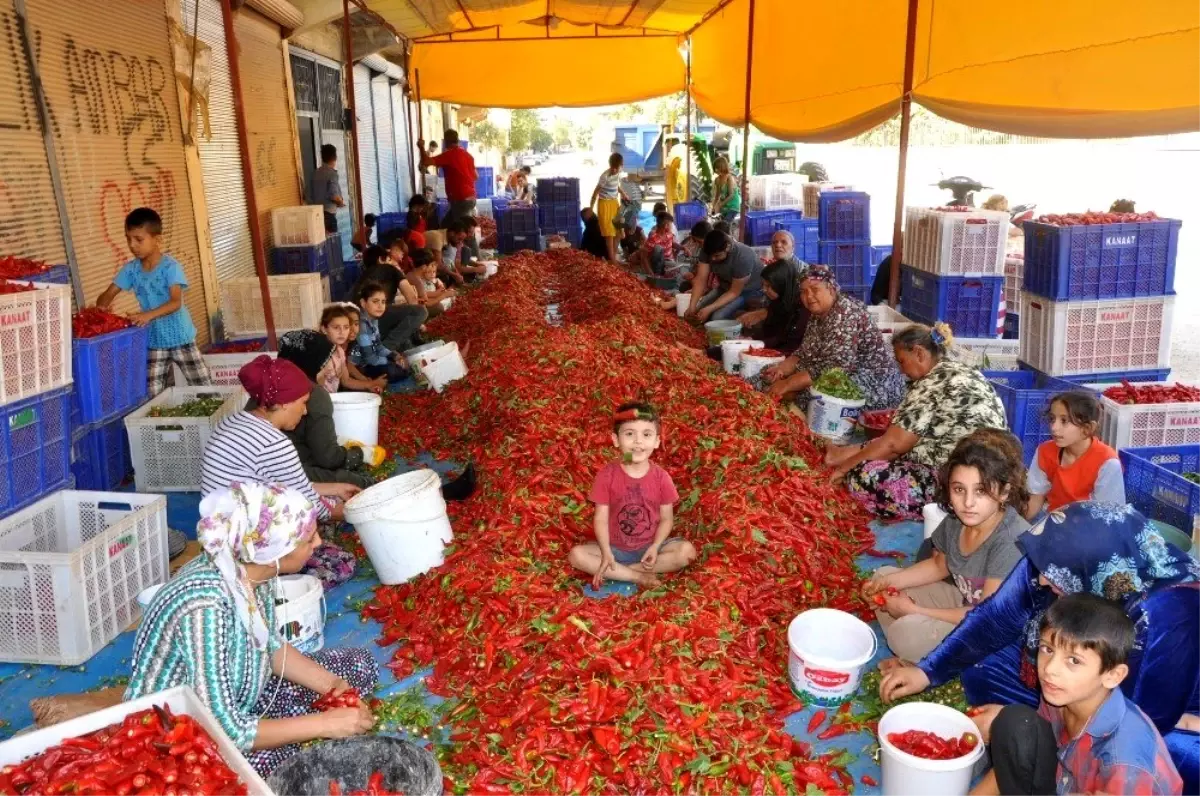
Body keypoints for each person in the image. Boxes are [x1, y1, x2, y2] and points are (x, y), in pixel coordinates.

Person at [879, 502, 1200, 791]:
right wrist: (927, 672)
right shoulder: (1058, 555)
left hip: (1160, 723)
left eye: (1055, 574)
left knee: (1152, 755)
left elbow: (1130, 718)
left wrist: (1028, 722)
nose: (1043, 580)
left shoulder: (1166, 615)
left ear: (1097, 572)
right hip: (1088, 686)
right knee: (984, 669)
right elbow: (996, 616)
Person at [126, 483, 377, 778]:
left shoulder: (257, 570)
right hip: (183, 730)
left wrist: (333, 685)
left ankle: (274, 722)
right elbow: (221, 729)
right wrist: (325, 724)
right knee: (285, 766)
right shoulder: (205, 607)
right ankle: (275, 726)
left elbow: (269, 645)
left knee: (359, 666)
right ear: (276, 552)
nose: (320, 543)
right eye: (308, 539)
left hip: (241, 689)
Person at [970, 593, 1183, 796]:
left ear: (1112, 675)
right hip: (1065, 784)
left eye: (1074, 660)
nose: (1050, 669)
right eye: (1047, 649)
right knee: (1016, 722)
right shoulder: (1062, 695)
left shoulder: (1125, 759)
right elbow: (1020, 754)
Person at [863, 431, 1030, 664]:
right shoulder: (957, 520)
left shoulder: (1011, 541)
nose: (968, 503)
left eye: (981, 491)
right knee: (884, 577)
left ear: (1004, 492)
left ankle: (921, 653)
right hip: (966, 604)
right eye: (959, 490)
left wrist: (916, 611)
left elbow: (986, 616)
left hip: (995, 633)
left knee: (907, 635)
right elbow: (939, 566)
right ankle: (920, 652)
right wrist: (888, 584)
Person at [826, 323, 1008, 521]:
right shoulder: (959, 371)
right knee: (886, 443)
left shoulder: (930, 384)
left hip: (963, 485)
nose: (901, 370)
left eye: (902, 361)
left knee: (863, 475)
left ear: (919, 354)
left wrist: (845, 469)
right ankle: (840, 454)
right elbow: (899, 438)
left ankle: (935, 508)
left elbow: (894, 445)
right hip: (992, 475)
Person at [201, 356, 361, 521]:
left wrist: (336, 488)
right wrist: (356, 510)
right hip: (240, 535)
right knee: (319, 515)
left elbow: (290, 485)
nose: (305, 411)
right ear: (285, 403)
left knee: (330, 498)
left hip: (218, 525)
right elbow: (316, 510)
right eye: (303, 402)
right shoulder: (274, 443)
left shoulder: (232, 421)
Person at [568, 403, 697, 588]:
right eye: (629, 434)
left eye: (646, 435)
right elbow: (601, 519)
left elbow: (667, 519)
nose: (638, 441)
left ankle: (623, 571)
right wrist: (605, 552)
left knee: (687, 552)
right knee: (576, 555)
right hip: (615, 548)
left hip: (651, 547)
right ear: (615, 439)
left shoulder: (662, 477)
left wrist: (655, 546)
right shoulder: (607, 475)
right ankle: (637, 576)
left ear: (657, 441)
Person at [96, 207, 212, 396]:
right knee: (152, 394)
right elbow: (107, 295)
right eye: (128, 239)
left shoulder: (170, 267)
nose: (132, 245)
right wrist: (101, 306)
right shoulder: (131, 270)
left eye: (139, 239)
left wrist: (147, 315)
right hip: (154, 341)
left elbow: (176, 303)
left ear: (157, 239)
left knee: (205, 387)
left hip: (181, 337)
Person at [763, 265, 905, 410]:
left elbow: (834, 371)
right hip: (831, 371)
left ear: (830, 289)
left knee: (815, 397)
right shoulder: (818, 313)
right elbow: (804, 352)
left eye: (815, 289)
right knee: (766, 377)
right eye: (803, 292)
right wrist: (781, 369)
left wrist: (787, 384)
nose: (809, 296)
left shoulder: (845, 315)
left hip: (872, 381)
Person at [267, 330, 376, 489]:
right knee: (356, 483)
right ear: (312, 362)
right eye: (325, 362)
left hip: (273, 465)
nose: (329, 369)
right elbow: (328, 458)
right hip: (289, 470)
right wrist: (360, 454)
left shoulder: (267, 384)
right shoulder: (313, 393)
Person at [1025, 390, 1124, 520]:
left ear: (1088, 428)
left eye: (1064, 421)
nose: (1054, 427)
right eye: (1052, 419)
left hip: (1090, 525)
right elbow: (1035, 498)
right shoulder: (1045, 451)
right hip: (1054, 519)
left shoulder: (1107, 462)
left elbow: (1108, 515)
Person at [351, 249, 428, 354]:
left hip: (357, 324)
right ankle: (386, 348)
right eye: (390, 259)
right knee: (420, 312)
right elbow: (412, 299)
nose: (394, 262)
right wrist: (417, 324)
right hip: (373, 321)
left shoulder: (363, 276)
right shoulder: (391, 270)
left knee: (404, 337)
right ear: (381, 260)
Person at [737, 230, 807, 345]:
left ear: (793, 247)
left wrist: (764, 314)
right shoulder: (775, 267)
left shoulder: (802, 273)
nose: (778, 245)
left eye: (783, 242)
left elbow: (789, 310)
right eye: (774, 243)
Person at [686, 230, 764, 323]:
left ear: (727, 247)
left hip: (748, 290)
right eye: (710, 256)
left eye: (717, 255)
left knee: (717, 318)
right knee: (697, 311)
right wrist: (692, 306)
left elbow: (734, 292)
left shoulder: (742, 256)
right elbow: (700, 280)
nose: (712, 259)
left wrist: (710, 308)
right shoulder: (708, 249)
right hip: (725, 286)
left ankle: (737, 324)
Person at [354, 281, 412, 383]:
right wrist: (391, 362)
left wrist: (395, 356)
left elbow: (379, 346)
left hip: (373, 360)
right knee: (393, 370)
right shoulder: (361, 325)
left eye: (383, 302)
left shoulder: (373, 319)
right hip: (361, 368)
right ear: (363, 303)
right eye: (375, 301)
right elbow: (370, 359)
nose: (380, 306)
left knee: (402, 362)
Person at [320, 305, 385, 394]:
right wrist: (369, 383)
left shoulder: (339, 351)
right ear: (324, 329)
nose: (342, 332)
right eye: (336, 327)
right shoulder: (321, 350)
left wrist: (369, 384)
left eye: (346, 327)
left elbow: (346, 380)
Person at [419, 130, 476, 225]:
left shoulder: (449, 155)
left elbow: (426, 161)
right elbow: (475, 176)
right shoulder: (468, 156)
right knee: (446, 226)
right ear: (457, 140)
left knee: (463, 231)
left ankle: (470, 239)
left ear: (446, 141)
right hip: (470, 198)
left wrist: (421, 147)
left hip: (460, 200)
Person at [590, 153, 632, 262]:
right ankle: (613, 260)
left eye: (618, 167)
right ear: (611, 166)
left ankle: (612, 255)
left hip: (614, 203)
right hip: (604, 205)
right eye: (615, 168)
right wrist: (591, 208)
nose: (616, 170)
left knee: (619, 233)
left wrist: (623, 194)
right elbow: (595, 192)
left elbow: (616, 186)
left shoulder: (618, 173)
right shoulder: (604, 177)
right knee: (609, 234)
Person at [311, 144, 346, 234]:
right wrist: (341, 202)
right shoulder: (332, 174)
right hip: (329, 216)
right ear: (335, 157)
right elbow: (334, 196)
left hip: (315, 215)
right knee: (332, 244)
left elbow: (307, 195)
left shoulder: (315, 173)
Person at [442, 219, 488, 284]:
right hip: (449, 269)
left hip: (454, 268)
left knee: (466, 250)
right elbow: (457, 266)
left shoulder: (459, 242)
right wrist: (476, 269)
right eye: (470, 232)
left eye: (473, 232)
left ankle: (462, 276)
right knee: (466, 250)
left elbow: (460, 260)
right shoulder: (453, 244)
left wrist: (477, 264)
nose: (471, 235)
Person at [711, 157, 740, 224]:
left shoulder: (729, 178)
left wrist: (720, 205)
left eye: (717, 168)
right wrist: (714, 207)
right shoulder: (717, 180)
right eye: (715, 168)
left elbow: (731, 195)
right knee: (718, 223)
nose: (715, 170)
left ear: (722, 167)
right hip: (724, 206)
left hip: (733, 206)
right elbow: (717, 195)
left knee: (724, 224)